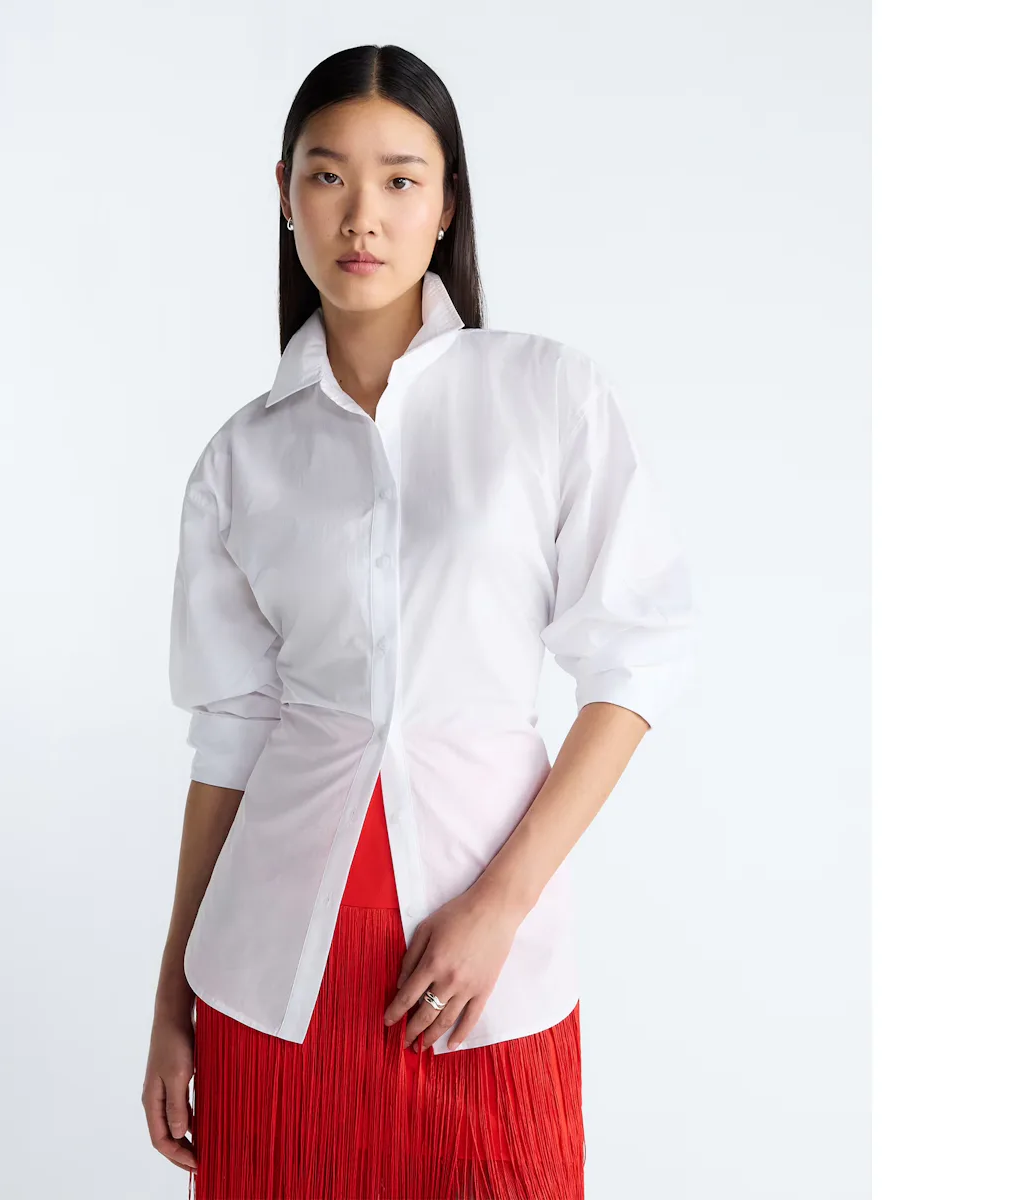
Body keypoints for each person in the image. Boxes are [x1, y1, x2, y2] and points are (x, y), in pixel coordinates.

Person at [142, 43, 696, 1200]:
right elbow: (231, 737)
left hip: (486, 974)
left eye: (401, 179)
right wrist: (170, 1000)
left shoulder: (547, 395)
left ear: (447, 206)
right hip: (270, 986)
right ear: (285, 194)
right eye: (327, 175)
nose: (363, 214)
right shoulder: (240, 460)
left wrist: (500, 906)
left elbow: (634, 660)